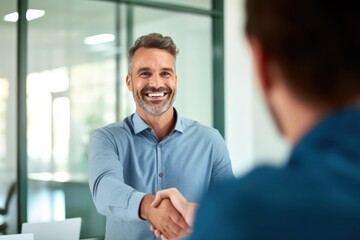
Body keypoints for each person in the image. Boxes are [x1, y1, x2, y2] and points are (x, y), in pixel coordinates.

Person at [153, 0, 360, 239]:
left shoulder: (245, 213)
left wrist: (214, 221)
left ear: (261, 64)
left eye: (165, 73)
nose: (157, 83)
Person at [88, 33, 234, 240]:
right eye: (145, 74)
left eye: (165, 73)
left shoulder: (210, 141)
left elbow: (229, 207)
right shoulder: (107, 139)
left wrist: (198, 215)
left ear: (175, 80)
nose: (156, 84)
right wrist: (148, 207)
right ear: (129, 82)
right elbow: (104, 190)